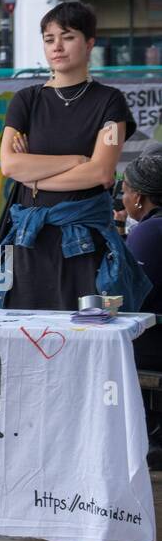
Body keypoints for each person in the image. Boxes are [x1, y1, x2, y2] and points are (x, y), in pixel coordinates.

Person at [0, 1, 149, 312]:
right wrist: (77, 160)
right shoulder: (25, 100)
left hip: (84, 243)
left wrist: (36, 176)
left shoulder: (111, 102)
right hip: (29, 240)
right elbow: (10, 165)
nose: (57, 46)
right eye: (49, 38)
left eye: (67, 36)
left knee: (85, 335)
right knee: (27, 335)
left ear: (89, 42)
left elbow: (102, 174)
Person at [121, 151, 162, 467]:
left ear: (139, 197)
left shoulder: (149, 232)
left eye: (124, 190)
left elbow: (126, 296)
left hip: (154, 346)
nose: (122, 198)